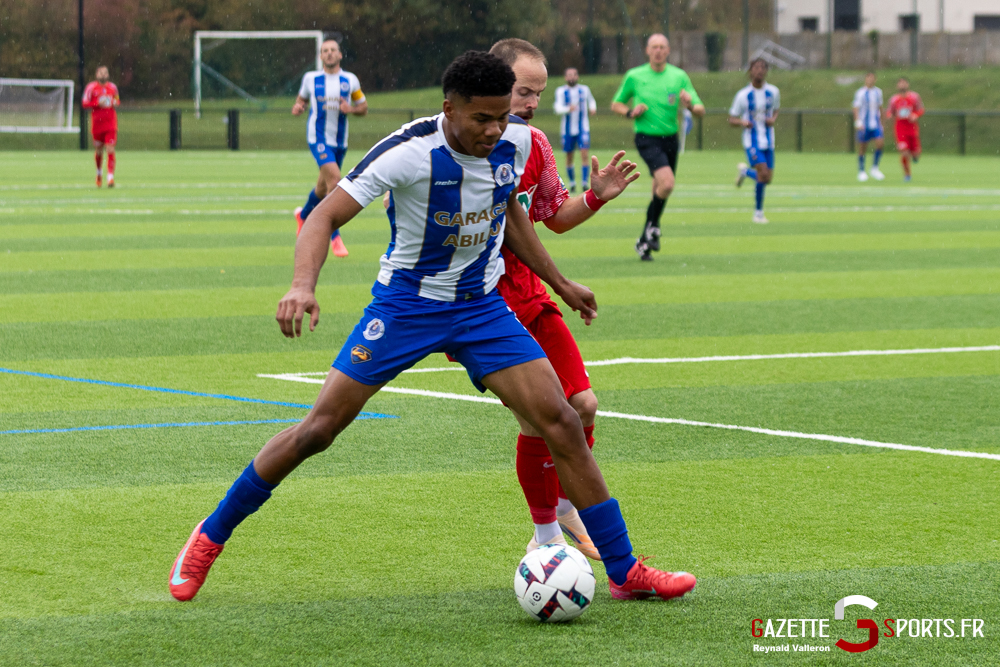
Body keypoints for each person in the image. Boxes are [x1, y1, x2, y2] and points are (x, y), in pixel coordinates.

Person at [169, 50, 696, 606]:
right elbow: (324, 215)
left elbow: (510, 213)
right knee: (318, 431)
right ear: (450, 108)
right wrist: (303, 284)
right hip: (404, 308)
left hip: (480, 307)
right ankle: (210, 534)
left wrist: (559, 283)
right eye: (483, 119)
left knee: (562, 419)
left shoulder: (515, 141)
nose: (496, 130)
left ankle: (624, 570)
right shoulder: (407, 152)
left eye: (503, 117)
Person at [489, 38, 638, 559]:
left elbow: (554, 217)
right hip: (485, 304)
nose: (532, 103)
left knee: (583, 405)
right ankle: (546, 532)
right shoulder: (466, 143)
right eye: (523, 91)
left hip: (532, 295)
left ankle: (567, 512)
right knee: (539, 417)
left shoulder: (537, 145)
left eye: (538, 94)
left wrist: (596, 196)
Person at [611, 33, 705, 262]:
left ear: (668, 50)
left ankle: (645, 239)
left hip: (671, 139)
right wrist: (631, 112)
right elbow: (617, 103)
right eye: (654, 46)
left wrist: (690, 104)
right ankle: (653, 226)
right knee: (668, 183)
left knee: (659, 189)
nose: (658, 50)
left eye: (663, 47)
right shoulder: (635, 76)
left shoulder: (679, 76)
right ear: (647, 50)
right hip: (646, 138)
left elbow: (701, 109)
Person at [291, 37, 368, 257]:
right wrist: (298, 107)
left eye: (333, 50)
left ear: (340, 55)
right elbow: (301, 100)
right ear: (320, 56)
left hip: (339, 142)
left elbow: (363, 107)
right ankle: (334, 236)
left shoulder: (350, 80)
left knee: (322, 189)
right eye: (325, 51)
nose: (329, 54)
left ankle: (303, 215)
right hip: (318, 138)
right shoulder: (311, 79)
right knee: (335, 179)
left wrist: (351, 109)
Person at [729, 58, 780, 225]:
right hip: (752, 142)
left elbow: (776, 109)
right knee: (763, 173)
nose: (760, 70)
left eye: (763, 67)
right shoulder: (743, 95)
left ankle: (745, 173)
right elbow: (732, 119)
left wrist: (773, 119)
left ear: (766, 71)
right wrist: (742, 122)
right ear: (750, 71)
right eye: (756, 67)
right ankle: (758, 213)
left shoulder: (773, 92)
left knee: (767, 178)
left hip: (768, 140)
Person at [553, 67, 597, 193]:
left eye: (574, 74)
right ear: (565, 77)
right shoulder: (561, 91)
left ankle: (584, 183)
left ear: (577, 76)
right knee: (569, 156)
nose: (572, 77)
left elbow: (591, 100)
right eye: (569, 75)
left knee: (584, 154)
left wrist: (593, 108)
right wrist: (568, 109)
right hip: (567, 130)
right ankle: (572, 183)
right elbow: (557, 108)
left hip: (583, 128)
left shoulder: (584, 89)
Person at [81, 66, 119, 188]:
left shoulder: (113, 88)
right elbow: (84, 103)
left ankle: (110, 178)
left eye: (105, 73)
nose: (103, 75)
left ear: (108, 74)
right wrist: (97, 103)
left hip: (110, 124)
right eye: (101, 73)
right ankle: (99, 173)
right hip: (97, 125)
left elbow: (117, 101)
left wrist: (114, 102)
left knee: (110, 149)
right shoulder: (91, 88)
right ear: (97, 75)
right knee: (99, 151)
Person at [886, 77, 923, 182]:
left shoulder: (914, 97)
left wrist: (916, 115)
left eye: (904, 83)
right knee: (904, 152)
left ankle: (915, 156)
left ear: (908, 84)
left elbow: (921, 109)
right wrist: (889, 116)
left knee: (916, 153)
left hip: (912, 128)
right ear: (897, 86)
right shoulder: (894, 99)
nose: (902, 85)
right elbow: (889, 111)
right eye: (900, 83)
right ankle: (907, 174)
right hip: (900, 129)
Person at [853, 72, 885, 182]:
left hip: (875, 124)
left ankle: (874, 168)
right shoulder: (860, 92)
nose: (870, 80)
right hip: (864, 125)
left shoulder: (878, 92)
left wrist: (882, 122)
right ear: (865, 79)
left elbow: (880, 107)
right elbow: (856, 108)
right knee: (862, 148)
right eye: (868, 78)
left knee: (880, 144)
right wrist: (858, 121)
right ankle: (861, 171)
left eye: (872, 78)